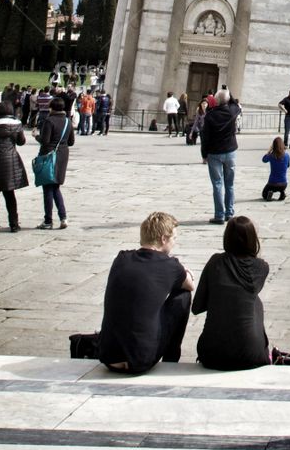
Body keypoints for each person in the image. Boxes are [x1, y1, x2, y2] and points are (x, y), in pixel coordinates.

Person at [98, 211, 194, 374]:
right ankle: (171, 359)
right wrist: (184, 271)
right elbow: (189, 285)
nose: (174, 243)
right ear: (164, 239)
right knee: (183, 297)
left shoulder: (121, 258)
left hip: (108, 356)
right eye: (174, 239)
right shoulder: (171, 265)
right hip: (141, 359)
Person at [192, 216, 269, 369]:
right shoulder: (261, 267)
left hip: (213, 354)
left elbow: (197, 307)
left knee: (251, 300)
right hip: (251, 355)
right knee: (253, 300)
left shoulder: (215, 262)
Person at [0, 101, 29, 233]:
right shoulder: (16, 124)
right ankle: (14, 224)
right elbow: (21, 142)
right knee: (10, 194)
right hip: (11, 162)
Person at [34, 96, 75, 230]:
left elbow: (45, 141)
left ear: (52, 107)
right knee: (55, 187)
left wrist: (36, 136)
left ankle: (48, 220)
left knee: (48, 188)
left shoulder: (49, 121)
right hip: (62, 156)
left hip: (49, 156)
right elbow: (71, 142)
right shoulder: (68, 121)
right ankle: (63, 218)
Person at [201, 89, 240, 223]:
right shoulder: (232, 112)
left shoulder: (210, 116)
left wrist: (204, 154)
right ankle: (229, 213)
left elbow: (204, 137)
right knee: (229, 185)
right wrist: (228, 92)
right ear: (228, 100)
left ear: (216, 101)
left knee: (217, 184)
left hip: (214, 153)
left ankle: (219, 215)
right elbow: (235, 104)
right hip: (230, 152)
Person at [261, 137, 290, 202]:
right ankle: (282, 192)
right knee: (281, 187)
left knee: (264, 194)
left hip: (272, 183)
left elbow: (263, 160)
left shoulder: (272, 155)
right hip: (283, 184)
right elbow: (288, 166)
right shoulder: (287, 155)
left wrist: (269, 151)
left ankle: (270, 192)